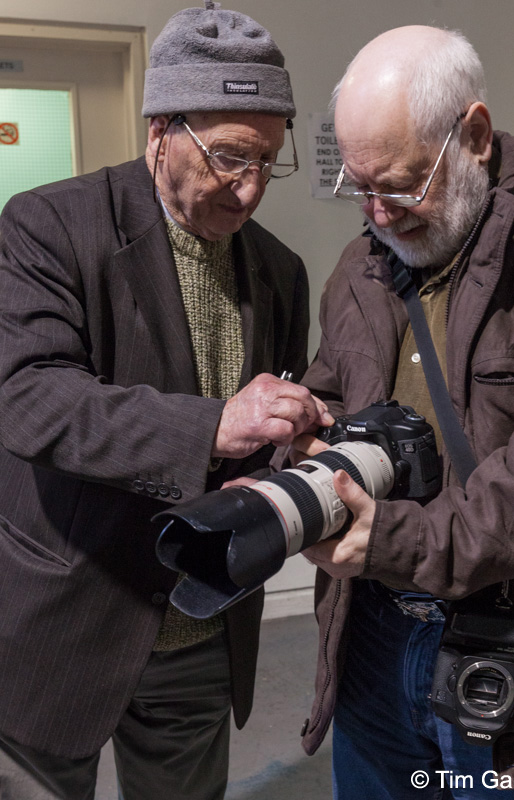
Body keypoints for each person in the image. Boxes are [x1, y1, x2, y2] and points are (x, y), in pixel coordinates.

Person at [0, 3, 332, 799]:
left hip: (202, 623)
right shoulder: (47, 226)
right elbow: (32, 397)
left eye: (267, 162)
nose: (249, 189)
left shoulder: (280, 270)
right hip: (65, 615)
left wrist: (289, 454)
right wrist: (216, 423)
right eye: (227, 158)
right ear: (160, 130)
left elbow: (261, 433)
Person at [294, 24, 514, 800]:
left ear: (473, 135)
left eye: (402, 186)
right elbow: (338, 394)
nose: (378, 215)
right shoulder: (361, 264)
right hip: (374, 635)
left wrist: (407, 540)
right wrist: (301, 440)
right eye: (361, 189)